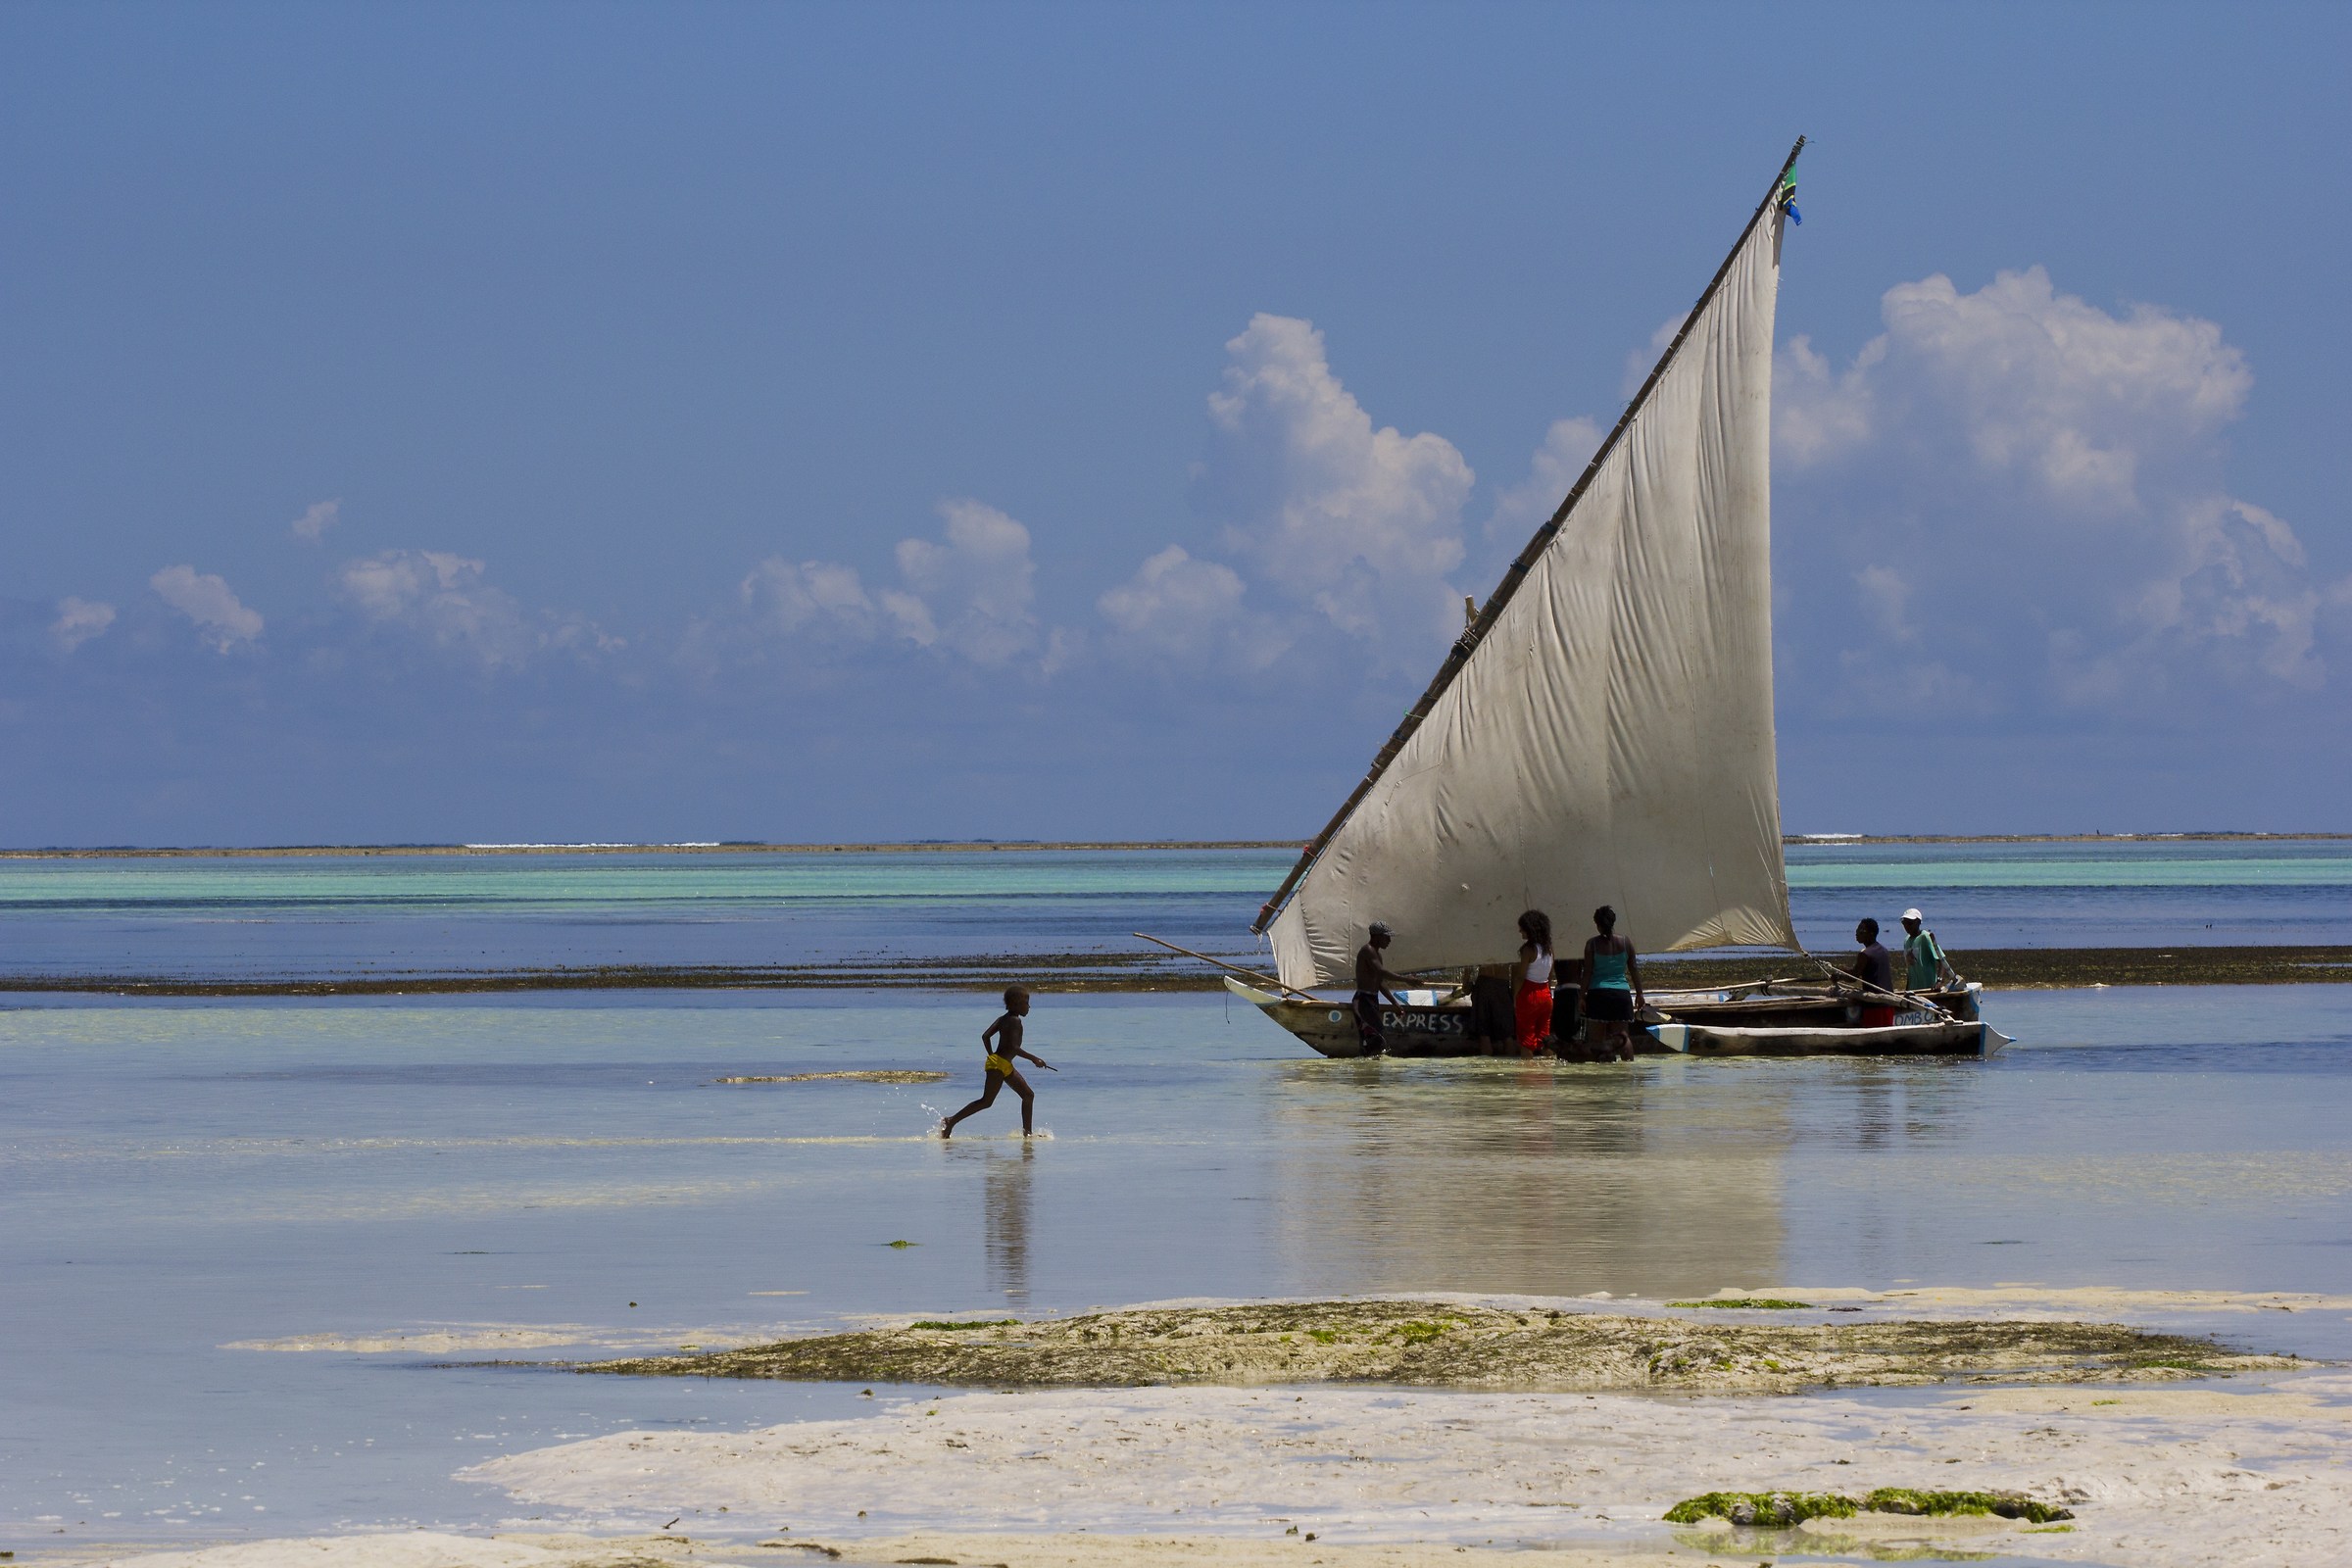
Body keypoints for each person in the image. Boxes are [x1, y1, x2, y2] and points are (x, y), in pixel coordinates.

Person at [941, 986, 1054, 1138]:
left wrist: (992, 1056)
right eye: (1026, 1003)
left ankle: (1027, 1134)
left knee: (1028, 1095)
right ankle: (950, 1121)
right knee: (986, 1101)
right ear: (1015, 1004)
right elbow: (1014, 1048)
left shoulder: (1002, 1019)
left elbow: (985, 1036)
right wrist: (1034, 1059)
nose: (1029, 1007)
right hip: (998, 1065)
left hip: (1002, 1064)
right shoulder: (1015, 1021)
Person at [1580, 906, 1645, 1061]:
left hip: (1598, 994)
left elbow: (1587, 972)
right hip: (1621, 994)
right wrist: (1640, 994)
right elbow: (1634, 969)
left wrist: (1581, 996)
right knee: (1622, 1037)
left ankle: (1601, 1071)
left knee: (1596, 1040)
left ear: (1597, 924)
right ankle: (1629, 1067)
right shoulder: (1625, 942)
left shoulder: (1592, 944)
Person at [1352, 922, 1410, 1055]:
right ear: (1377, 936)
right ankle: (1371, 1065)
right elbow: (1381, 972)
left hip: (1372, 1000)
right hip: (1364, 1001)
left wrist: (1395, 1004)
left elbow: (1380, 983)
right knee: (1375, 1039)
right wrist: (1406, 980)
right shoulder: (1367, 950)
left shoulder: (1377, 955)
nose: (1389, 940)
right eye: (1386, 937)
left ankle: (1371, 1066)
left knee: (1376, 1039)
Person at [1514, 909, 1555, 1056]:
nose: (1520, 931)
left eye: (1522, 928)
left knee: (1526, 1040)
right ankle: (1548, 1068)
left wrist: (1515, 997)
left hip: (1529, 994)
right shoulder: (1549, 949)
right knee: (1545, 1039)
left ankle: (1527, 1070)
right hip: (1546, 995)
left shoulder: (1528, 950)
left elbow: (1520, 977)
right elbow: (1550, 975)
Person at [1848, 918, 1897, 1028]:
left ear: (1871, 933)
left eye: (1861, 930)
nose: (1857, 933)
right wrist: (1845, 971)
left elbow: (1853, 977)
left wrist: (1838, 976)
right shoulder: (1883, 950)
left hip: (1875, 1004)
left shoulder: (1865, 954)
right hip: (1888, 1002)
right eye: (1857, 930)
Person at [1898, 907, 1958, 992]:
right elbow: (1910, 969)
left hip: (1928, 987)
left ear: (1918, 922)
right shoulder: (1906, 940)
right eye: (1904, 923)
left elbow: (1942, 960)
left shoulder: (1925, 937)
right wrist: (1907, 990)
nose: (1907, 926)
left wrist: (1939, 981)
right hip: (1913, 989)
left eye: (1910, 923)